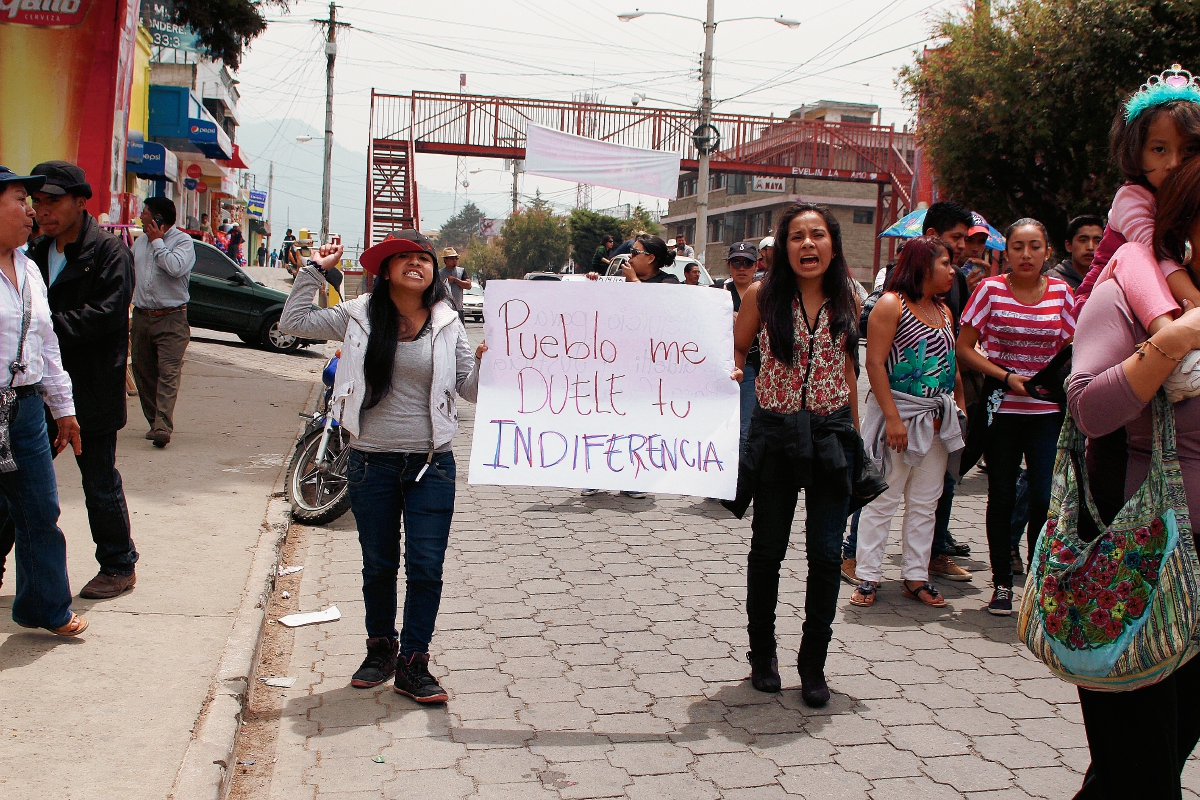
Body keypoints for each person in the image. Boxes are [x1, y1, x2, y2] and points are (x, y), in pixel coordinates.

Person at [279, 229, 482, 704]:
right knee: (378, 565)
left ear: (435, 271)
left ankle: (414, 664)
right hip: (370, 462)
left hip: (432, 465)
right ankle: (379, 650)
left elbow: (469, 389)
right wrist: (315, 270)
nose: (417, 264)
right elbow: (294, 321)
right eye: (404, 258)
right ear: (386, 269)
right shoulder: (358, 316)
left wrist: (492, 362)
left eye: (424, 259)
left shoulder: (450, 322)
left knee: (427, 568)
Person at [1066, 153, 1200, 800]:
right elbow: (1090, 408)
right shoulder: (1126, 289)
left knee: (1145, 766)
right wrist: (1177, 339)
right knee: (1144, 775)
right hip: (1133, 572)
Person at [726, 203, 863, 706]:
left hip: (830, 436)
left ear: (833, 244)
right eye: (798, 237)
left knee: (826, 557)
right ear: (784, 248)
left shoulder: (848, 296)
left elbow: (848, 365)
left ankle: (814, 664)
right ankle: (762, 655)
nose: (808, 245)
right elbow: (736, 349)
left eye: (818, 235)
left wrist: (855, 429)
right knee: (767, 552)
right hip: (776, 436)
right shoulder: (763, 295)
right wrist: (737, 372)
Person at [9, 161, 136, 599]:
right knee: (17, 482)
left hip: (92, 388)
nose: (43, 211)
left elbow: (107, 314)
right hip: (39, 391)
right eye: (37, 202)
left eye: (53, 202)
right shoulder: (33, 254)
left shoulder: (109, 252)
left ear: (80, 202)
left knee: (98, 482)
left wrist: (41, 327)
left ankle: (119, 564)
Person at [956, 218, 1075, 615]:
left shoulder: (1062, 293)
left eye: (1034, 246)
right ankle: (1002, 583)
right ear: (1005, 252)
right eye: (1018, 247)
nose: (1026, 255)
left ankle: (1039, 584)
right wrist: (1006, 376)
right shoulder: (989, 291)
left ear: (1047, 252)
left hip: (1046, 412)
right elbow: (965, 347)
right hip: (1002, 409)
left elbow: (1075, 346)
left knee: (1044, 496)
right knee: (1002, 495)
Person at [852, 236, 965, 609]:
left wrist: (957, 408)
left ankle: (916, 576)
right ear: (922, 265)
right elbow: (875, 364)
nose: (952, 270)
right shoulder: (891, 304)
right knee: (883, 499)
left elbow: (952, 364)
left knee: (925, 501)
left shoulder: (944, 311)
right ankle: (868, 576)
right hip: (898, 418)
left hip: (936, 421)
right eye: (945, 263)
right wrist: (892, 418)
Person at [0, 166, 86, 634]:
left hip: (27, 408)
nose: (30, 210)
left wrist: (64, 409)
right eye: (19, 200)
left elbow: (46, 343)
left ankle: (45, 608)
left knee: (39, 509)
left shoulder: (30, 268)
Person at [130, 197, 196, 448]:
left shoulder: (183, 242)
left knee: (168, 373)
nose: (140, 217)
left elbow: (175, 267)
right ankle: (153, 421)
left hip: (172, 318)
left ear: (157, 218)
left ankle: (162, 426)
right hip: (143, 317)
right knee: (143, 372)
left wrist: (158, 241)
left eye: (145, 213)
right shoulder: (139, 243)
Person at [716, 242, 761, 449]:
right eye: (736, 263)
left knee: (748, 427)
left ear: (756, 266)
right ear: (729, 266)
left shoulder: (765, 293)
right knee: (725, 424)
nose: (742, 268)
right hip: (726, 367)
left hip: (760, 367)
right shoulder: (717, 293)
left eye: (747, 263)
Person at [1046, 214, 1105, 290]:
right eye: (1083, 240)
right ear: (1069, 245)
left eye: (1098, 241)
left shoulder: (1108, 280)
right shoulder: (1052, 281)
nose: (1090, 247)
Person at [439, 247, 471, 321]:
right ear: (445, 260)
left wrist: (455, 280)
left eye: (456, 258)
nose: (455, 260)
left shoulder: (461, 271)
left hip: (458, 309)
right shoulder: (439, 274)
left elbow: (468, 285)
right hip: (444, 310)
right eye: (452, 258)